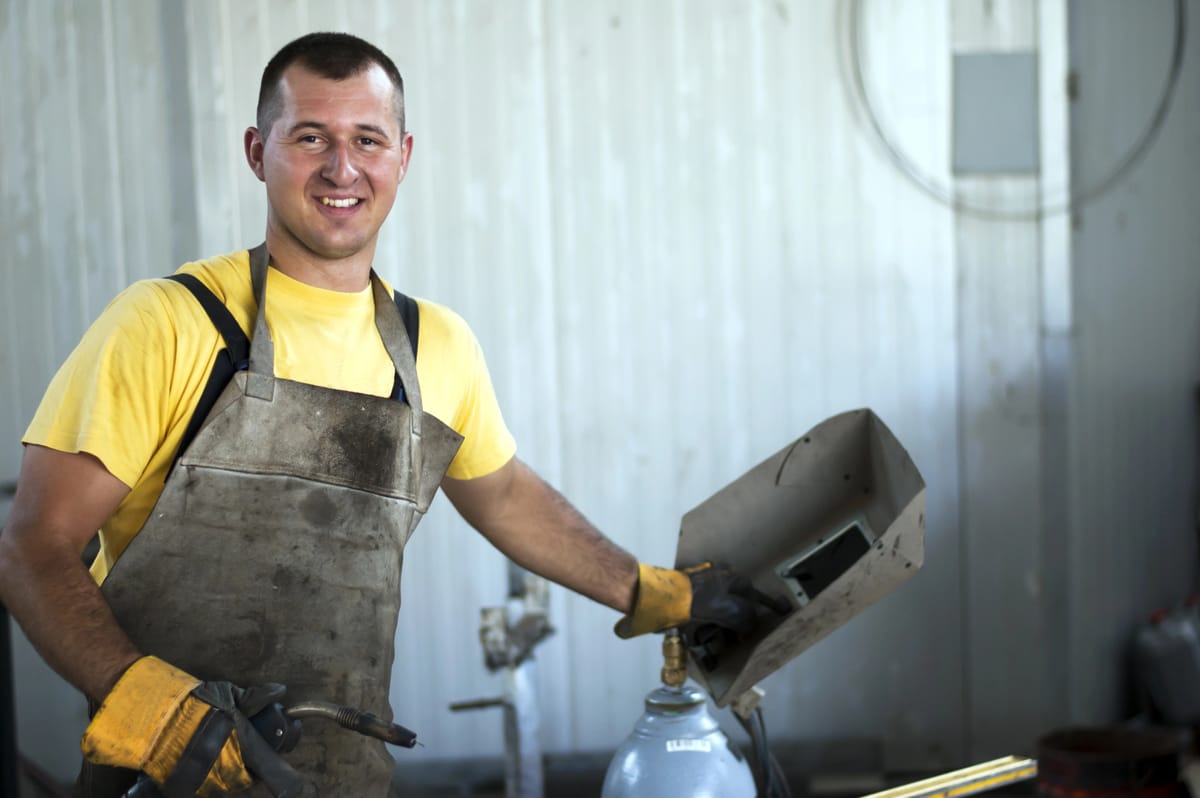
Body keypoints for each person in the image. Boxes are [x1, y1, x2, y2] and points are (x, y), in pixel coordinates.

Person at [0, 32, 769, 797]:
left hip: (343, 778)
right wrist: (159, 717)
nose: (342, 169)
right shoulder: (167, 324)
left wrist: (648, 591)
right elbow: (33, 548)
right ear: (256, 151)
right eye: (310, 138)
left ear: (402, 157)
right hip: (167, 780)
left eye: (366, 140)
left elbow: (501, 494)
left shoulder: (436, 346)